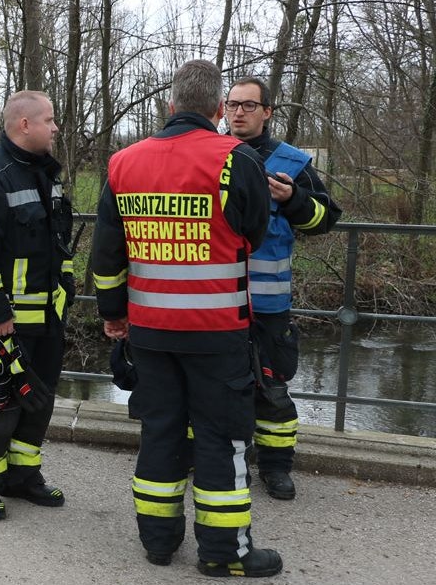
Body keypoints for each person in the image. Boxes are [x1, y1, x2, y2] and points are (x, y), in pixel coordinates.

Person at [90, 59, 282, 577]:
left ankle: (158, 543)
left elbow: (106, 257)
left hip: (149, 333)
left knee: (160, 432)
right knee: (222, 439)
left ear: (170, 106)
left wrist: (113, 316)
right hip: (216, 333)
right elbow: (256, 233)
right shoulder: (235, 159)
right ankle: (224, 554)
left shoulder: (123, 163)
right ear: (218, 109)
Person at [0, 90, 75, 520]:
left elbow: (58, 243)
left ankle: (23, 475)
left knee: (38, 401)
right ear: (24, 124)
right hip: (2, 325)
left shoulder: (46, 174)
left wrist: (67, 288)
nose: (56, 126)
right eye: (49, 119)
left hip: (47, 318)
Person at [226, 77, 342, 500]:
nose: (239, 112)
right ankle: (217, 462)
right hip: (218, 303)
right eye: (233, 104)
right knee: (214, 388)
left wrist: (294, 199)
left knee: (273, 392)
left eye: (249, 105)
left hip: (269, 305)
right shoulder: (211, 156)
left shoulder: (291, 162)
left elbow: (326, 220)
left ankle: (275, 469)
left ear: (267, 112)